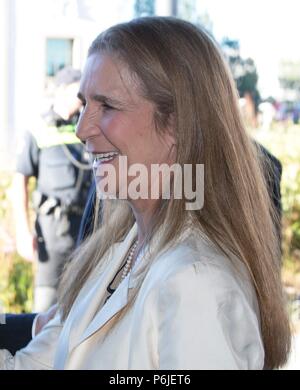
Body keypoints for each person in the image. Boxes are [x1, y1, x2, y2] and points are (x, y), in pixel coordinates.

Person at [0, 17, 291, 369]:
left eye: (106, 106)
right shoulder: (119, 251)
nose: (81, 129)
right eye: (84, 104)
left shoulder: (196, 281)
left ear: (177, 125)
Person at [12, 67, 92, 312]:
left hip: (86, 233)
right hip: (52, 234)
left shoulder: (87, 128)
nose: (79, 101)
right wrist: (23, 233)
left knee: (84, 308)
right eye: (76, 94)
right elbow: (19, 183)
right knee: (45, 309)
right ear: (60, 92)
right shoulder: (38, 129)